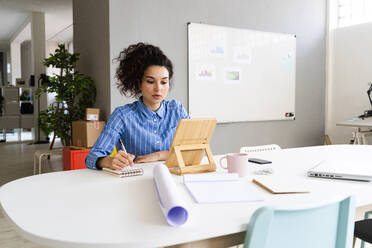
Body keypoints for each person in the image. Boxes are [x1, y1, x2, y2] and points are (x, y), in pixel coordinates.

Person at [85, 43, 189, 170]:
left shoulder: (177, 110)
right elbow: (92, 157)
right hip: (137, 181)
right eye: (150, 81)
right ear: (138, 83)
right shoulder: (122, 115)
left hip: (175, 179)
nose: (158, 88)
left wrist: (157, 156)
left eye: (164, 82)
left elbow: (193, 151)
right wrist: (108, 161)